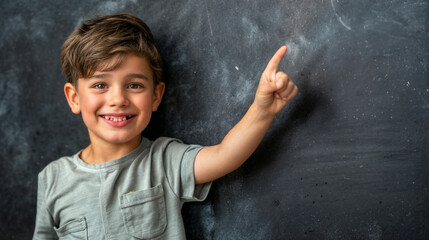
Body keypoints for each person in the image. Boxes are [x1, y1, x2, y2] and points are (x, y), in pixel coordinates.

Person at [33, 13, 298, 239]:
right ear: (74, 97)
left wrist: (262, 110)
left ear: (156, 96)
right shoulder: (52, 179)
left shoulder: (164, 161)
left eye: (134, 85)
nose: (117, 99)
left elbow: (225, 155)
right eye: (100, 85)